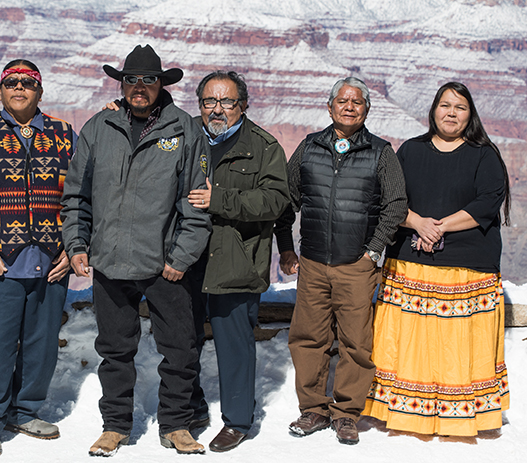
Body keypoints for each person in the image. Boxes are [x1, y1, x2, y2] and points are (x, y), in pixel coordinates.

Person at [62, 44, 211, 456]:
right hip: (109, 261)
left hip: (165, 265)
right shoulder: (99, 127)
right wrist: (76, 244)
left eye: (148, 79)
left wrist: (180, 258)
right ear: (121, 84)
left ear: (162, 83)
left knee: (180, 349)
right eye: (131, 80)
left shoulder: (184, 130)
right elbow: (76, 195)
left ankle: (177, 426)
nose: (139, 87)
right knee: (114, 351)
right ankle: (115, 426)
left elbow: (197, 202)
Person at [362, 82, 510, 436]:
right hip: (410, 260)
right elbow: (390, 197)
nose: (451, 113)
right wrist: (417, 223)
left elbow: (487, 203)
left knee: (454, 347)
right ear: (433, 110)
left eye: (460, 107)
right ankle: (404, 413)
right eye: (445, 105)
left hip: (466, 265)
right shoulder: (411, 151)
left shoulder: (484, 154)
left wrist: (439, 228)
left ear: (469, 114)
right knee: (409, 342)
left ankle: (457, 416)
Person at [274, 77, 407, 445]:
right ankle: (314, 409)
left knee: (356, 343)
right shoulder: (309, 147)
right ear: (329, 106)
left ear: (367, 109)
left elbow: (395, 205)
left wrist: (373, 251)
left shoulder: (381, 152)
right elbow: (285, 200)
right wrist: (286, 246)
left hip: (357, 265)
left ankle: (347, 413)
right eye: (343, 100)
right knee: (308, 338)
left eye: (357, 102)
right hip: (314, 262)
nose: (349, 106)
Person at [0, 59, 76, 456]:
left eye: (28, 82)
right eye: (12, 82)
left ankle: (24, 411)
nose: (20, 88)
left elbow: (78, 199)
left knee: (42, 345)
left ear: (40, 91)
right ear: (1, 90)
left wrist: (71, 247)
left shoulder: (63, 134)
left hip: (50, 260)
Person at [184, 71, 289, 452]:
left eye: (227, 102)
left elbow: (276, 202)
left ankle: (238, 421)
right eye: (209, 101)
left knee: (235, 346)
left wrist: (220, 200)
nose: (217, 109)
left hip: (237, 261)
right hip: (186, 259)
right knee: (184, 340)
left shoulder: (263, 146)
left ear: (243, 105)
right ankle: (192, 407)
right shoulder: (184, 135)